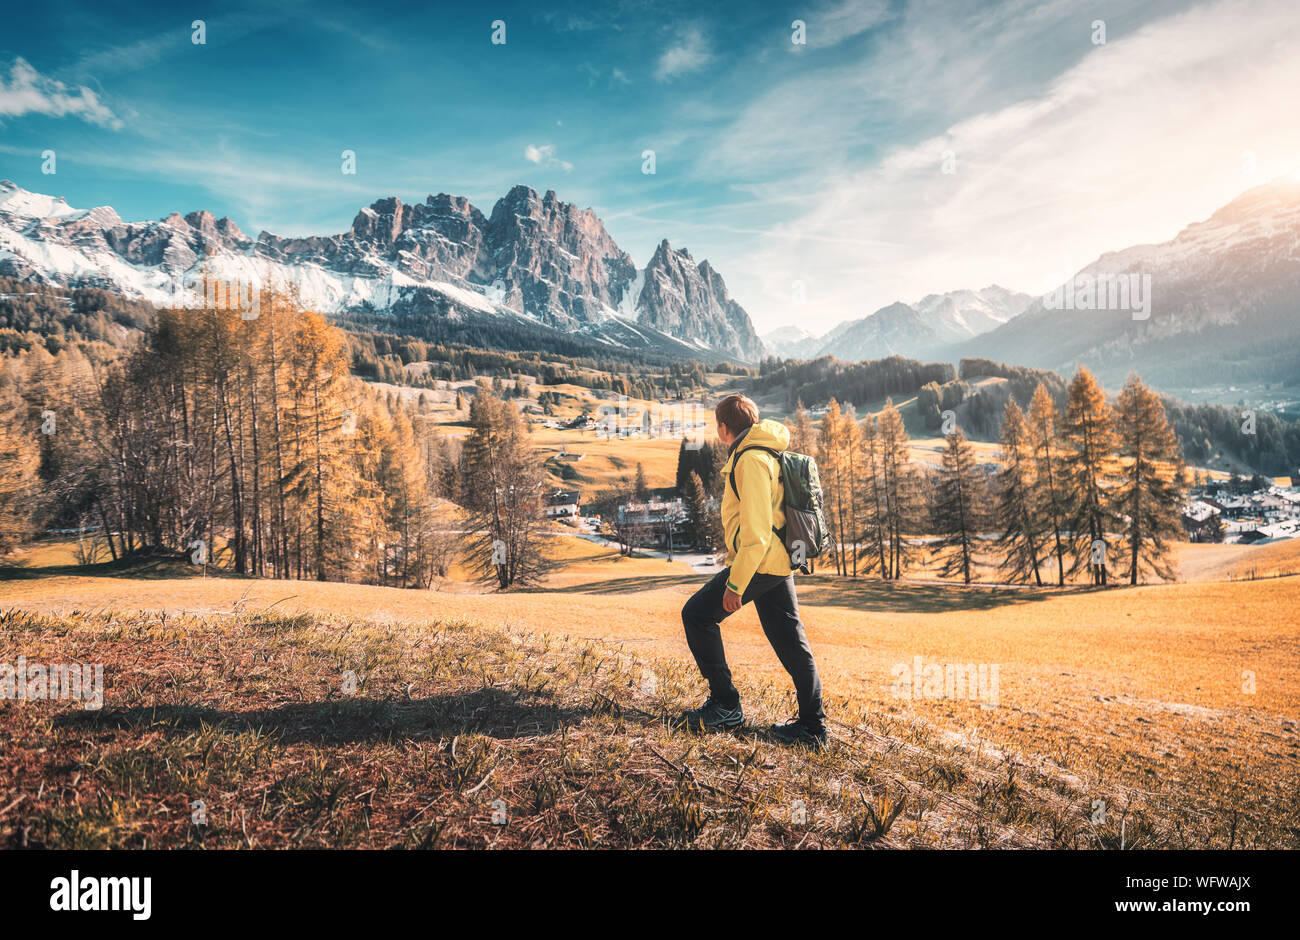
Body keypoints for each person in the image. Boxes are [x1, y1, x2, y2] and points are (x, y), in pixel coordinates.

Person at [679, 394, 827, 748]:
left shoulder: (750, 460)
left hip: (760, 564)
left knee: (697, 616)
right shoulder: (767, 450)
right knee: (793, 644)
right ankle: (812, 728)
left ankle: (726, 705)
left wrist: (735, 584)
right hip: (778, 563)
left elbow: (757, 534)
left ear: (724, 428)